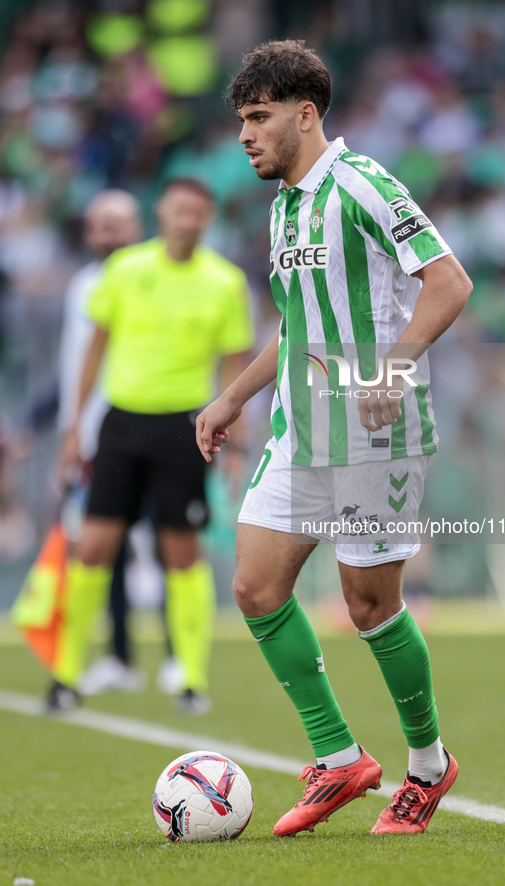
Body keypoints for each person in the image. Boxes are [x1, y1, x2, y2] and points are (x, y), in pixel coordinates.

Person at [197, 41, 472, 837]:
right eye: (241, 121)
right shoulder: (284, 206)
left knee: (367, 604)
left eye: (259, 118)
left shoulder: (363, 183)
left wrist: (392, 367)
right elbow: (295, 327)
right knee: (254, 587)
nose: (245, 136)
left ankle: (427, 764)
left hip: (374, 432)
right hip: (299, 426)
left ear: (305, 113)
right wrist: (230, 398)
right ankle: (340, 756)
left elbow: (448, 281)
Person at [50, 177, 255, 713]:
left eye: (198, 213)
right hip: (120, 425)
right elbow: (94, 350)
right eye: (180, 210)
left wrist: (236, 447)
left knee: (181, 553)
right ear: (161, 212)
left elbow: (235, 370)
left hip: (184, 428)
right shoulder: (125, 270)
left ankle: (190, 677)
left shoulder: (225, 283)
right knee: (93, 547)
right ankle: (66, 675)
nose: (188, 220)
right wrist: (74, 428)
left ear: (207, 220)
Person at [57, 189, 145, 694]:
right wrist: (72, 429)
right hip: (97, 436)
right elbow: (75, 364)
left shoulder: (151, 275)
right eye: (98, 224)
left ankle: (182, 664)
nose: (106, 232)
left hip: (154, 424)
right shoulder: (82, 285)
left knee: (171, 537)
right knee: (103, 546)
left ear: (136, 226)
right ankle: (120, 656)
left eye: (116, 222)